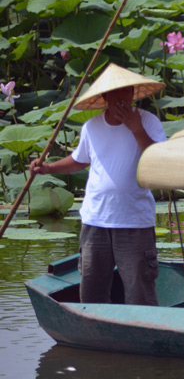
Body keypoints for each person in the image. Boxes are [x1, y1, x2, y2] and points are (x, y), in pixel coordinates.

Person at [30, 63, 166, 305]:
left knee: (139, 288)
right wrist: (48, 168)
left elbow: (157, 161)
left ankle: (141, 337)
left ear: (134, 93)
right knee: (92, 287)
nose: (122, 97)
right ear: (105, 97)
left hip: (133, 220)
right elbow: (78, 160)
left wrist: (136, 129)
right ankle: (94, 333)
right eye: (115, 92)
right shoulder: (91, 126)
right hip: (95, 220)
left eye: (127, 91)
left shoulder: (148, 121)